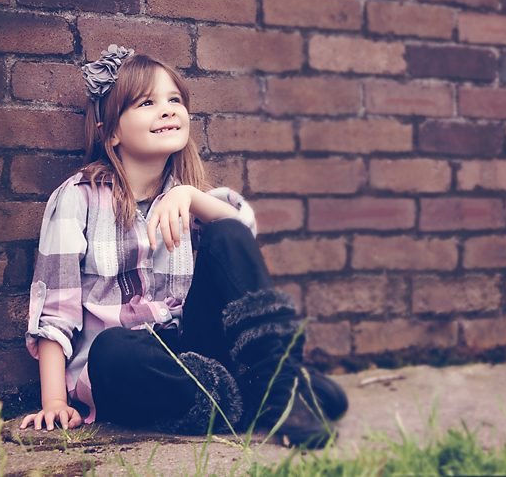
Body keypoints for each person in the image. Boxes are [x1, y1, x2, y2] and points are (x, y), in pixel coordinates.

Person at [19, 45, 347, 448]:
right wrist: (54, 400)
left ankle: (279, 389)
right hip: (135, 365)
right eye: (147, 102)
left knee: (226, 231)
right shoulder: (77, 197)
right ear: (112, 131)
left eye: (175, 99)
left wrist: (191, 196)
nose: (168, 109)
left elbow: (243, 234)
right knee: (113, 348)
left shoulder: (188, 197)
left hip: (195, 348)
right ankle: (270, 392)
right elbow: (56, 306)